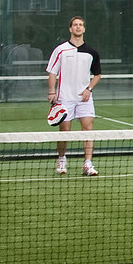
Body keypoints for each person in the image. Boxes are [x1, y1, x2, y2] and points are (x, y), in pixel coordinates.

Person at [46, 17, 103, 176]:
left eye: (81, 25)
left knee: (88, 129)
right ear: (70, 29)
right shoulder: (61, 50)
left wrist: (88, 89)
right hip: (64, 98)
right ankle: (62, 159)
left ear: (84, 29)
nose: (78, 27)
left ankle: (87, 164)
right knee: (65, 131)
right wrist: (52, 91)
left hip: (84, 98)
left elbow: (97, 75)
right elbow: (52, 72)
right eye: (75, 25)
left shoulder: (92, 52)